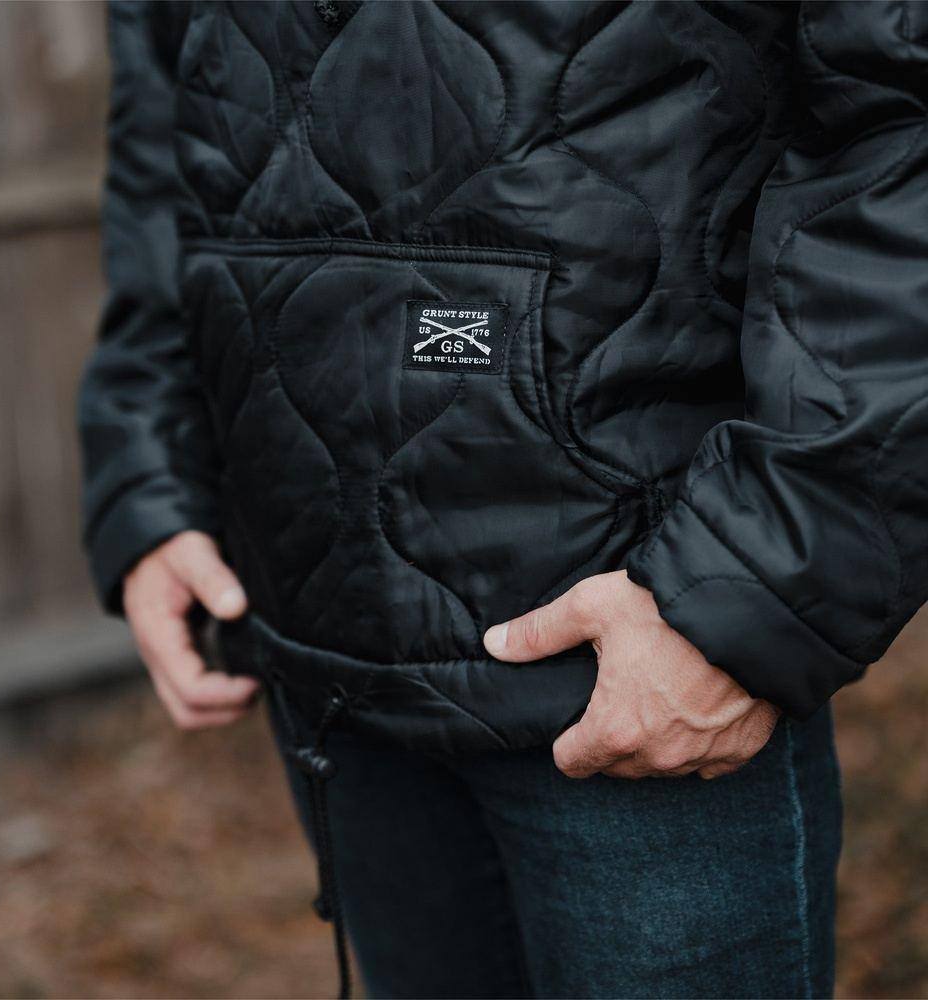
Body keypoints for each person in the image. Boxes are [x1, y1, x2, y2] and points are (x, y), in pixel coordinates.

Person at [78, 2, 928, 997]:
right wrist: (151, 474)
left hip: (637, 641)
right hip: (320, 624)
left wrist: (757, 577)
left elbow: (897, 123)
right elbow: (162, 124)